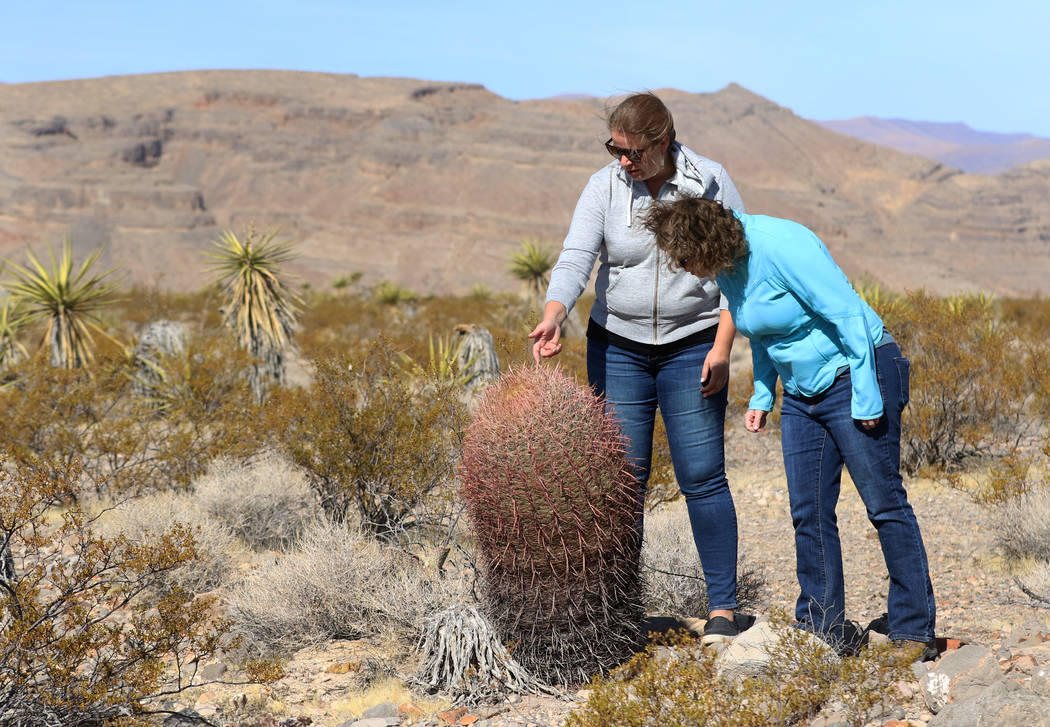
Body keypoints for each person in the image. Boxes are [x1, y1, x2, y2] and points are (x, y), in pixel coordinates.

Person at [642, 196, 937, 657]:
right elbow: (762, 331)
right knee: (809, 511)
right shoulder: (727, 266)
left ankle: (913, 630)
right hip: (802, 393)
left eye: (685, 257)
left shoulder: (781, 244)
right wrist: (763, 394)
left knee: (884, 504)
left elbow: (847, 313)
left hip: (858, 370)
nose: (684, 268)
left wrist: (866, 393)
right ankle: (822, 630)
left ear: (707, 241)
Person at [528, 92, 747, 643]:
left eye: (632, 151)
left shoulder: (710, 180)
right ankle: (619, 606)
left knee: (702, 476)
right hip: (617, 345)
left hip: (693, 344)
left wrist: (721, 348)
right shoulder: (603, 187)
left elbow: (737, 267)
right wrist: (555, 315)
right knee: (622, 481)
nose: (622, 160)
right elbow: (578, 256)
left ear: (663, 142)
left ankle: (722, 606)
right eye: (614, 149)